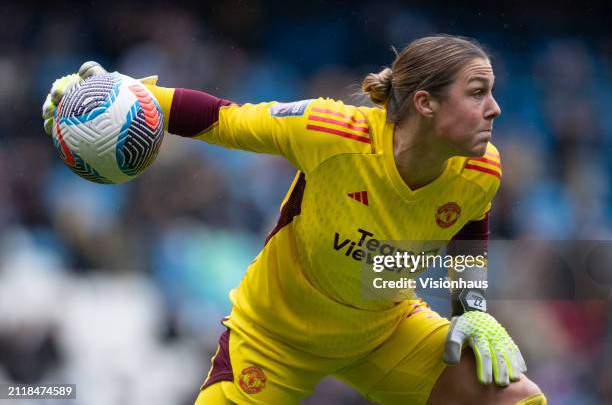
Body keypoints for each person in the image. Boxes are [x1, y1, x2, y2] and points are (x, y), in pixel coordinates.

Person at [43, 35, 547, 404]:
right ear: (426, 103)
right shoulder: (331, 133)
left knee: (516, 399)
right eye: (478, 92)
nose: (495, 109)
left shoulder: (482, 170)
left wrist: (471, 308)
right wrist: (123, 95)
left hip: (384, 332)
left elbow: (468, 234)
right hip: (275, 337)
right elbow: (224, 118)